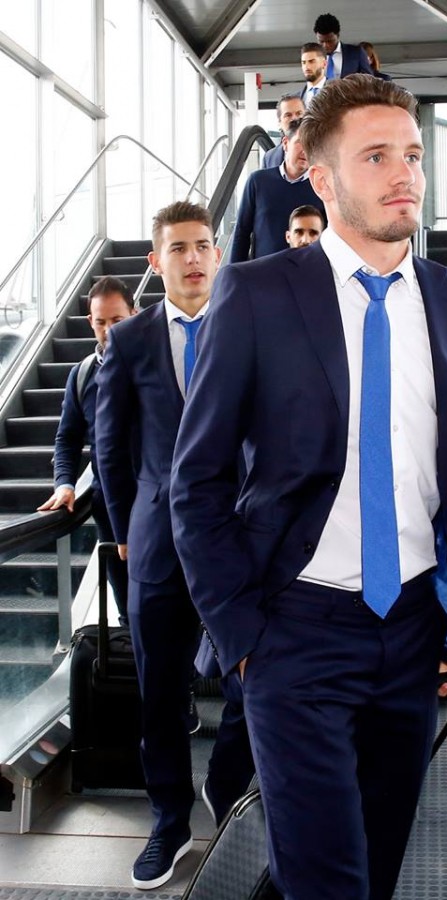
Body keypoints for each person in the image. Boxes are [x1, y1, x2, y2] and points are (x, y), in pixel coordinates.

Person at [170, 75, 447, 900]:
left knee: (374, 868)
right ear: (321, 178)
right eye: (377, 156)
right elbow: (198, 479)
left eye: (413, 155)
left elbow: (441, 481)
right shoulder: (256, 294)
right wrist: (243, 634)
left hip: (413, 630)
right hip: (295, 632)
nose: (406, 174)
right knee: (329, 881)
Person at [95, 201, 220, 891]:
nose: (193, 258)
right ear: (156, 260)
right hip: (157, 545)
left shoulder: (249, 323)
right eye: (179, 248)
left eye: (203, 245)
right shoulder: (131, 340)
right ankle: (169, 821)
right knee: (161, 696)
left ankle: (226, 784)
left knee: (261, 683)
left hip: (239, 542)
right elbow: (110, 447)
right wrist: (123, 531)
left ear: (218, 253)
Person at [37, 276, 135, 625]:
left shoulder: (154, 366)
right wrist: (65, 483)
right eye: (100, 322)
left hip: (160, 504)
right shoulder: (82, 376)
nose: (109, 331)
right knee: (128, 608)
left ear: (134, 314)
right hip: (109, 509)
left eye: (117, 320)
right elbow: (67, 438)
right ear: (90, 322)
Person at [229, 119, 325, 263]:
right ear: (285, 143)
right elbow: (241, 232)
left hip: (306, 271)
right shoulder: (258, 181)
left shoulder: (321, 186)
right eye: (300, 142)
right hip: (263, 271)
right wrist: (233, 272)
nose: (305, 150)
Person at [313, 12, 373, 78]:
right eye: (321, 41)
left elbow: (369, 80)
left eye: (330, 41)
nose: (325, 45)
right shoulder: (312, 57)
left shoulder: (356, 53)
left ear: (338, 35)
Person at [262, 94, 305, 169]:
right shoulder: (269, 158)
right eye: (288, 115)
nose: (294, 118)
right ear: (279, 122)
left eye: (299, 113)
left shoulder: (321, 152)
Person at [299, 42, 327, 106]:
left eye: (311, 62)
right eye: (304, 62)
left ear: (324, 64)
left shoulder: (336, 92)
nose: (307, 67)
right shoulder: (297, 98)